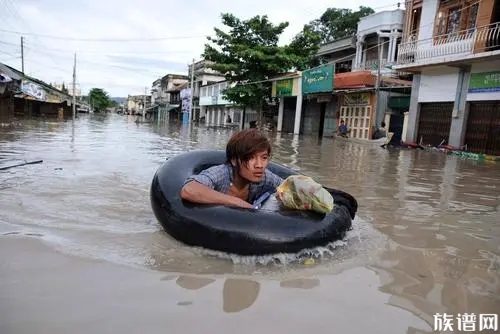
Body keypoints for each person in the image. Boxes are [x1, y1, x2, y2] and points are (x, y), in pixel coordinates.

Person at [180, 128, 283, 209]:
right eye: (251, 158)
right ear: (234, 160)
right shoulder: (221, 174)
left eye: (264, 158)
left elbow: (289, 185)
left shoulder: (264, 177)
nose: (259, 165)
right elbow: (189, 190)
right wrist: (238, 203)